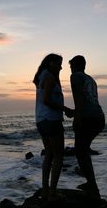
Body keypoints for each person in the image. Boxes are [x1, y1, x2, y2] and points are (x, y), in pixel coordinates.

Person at [33, 53, 73, 201]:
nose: (61, 67)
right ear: (50, 63)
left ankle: (45, 190)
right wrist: (65, 109)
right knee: (58, 156)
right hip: (51, 119)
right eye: (58, 63)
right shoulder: (49, 77)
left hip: (41, 120)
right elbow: (47, 100)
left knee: (49, 154)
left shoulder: (42, 76)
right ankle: (52, 193)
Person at [69, 55, 105, 199]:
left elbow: (78, 98)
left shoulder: (75, 77)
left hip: (87, 118)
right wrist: (75, 112)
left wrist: (77, 118)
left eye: (71, 66)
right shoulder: (90, 79)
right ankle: (91, 183)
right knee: (83, 151)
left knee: (80, 151)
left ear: (76, 66)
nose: (70, 70)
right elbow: (89, 100)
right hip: (98, 117)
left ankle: (92, 186)